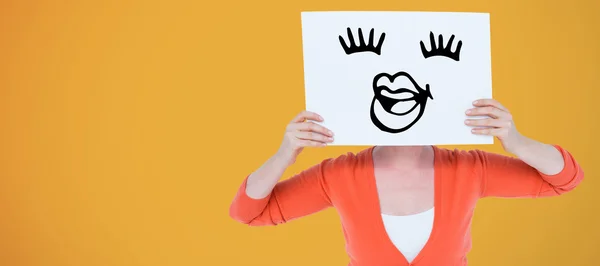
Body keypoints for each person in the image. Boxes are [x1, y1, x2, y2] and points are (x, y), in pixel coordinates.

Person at [228, 99, 584, 266]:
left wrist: (516, 141)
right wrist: (284, 154)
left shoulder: (468, 168)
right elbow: (248, 212)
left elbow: (565, 179)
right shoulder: (337, 174)